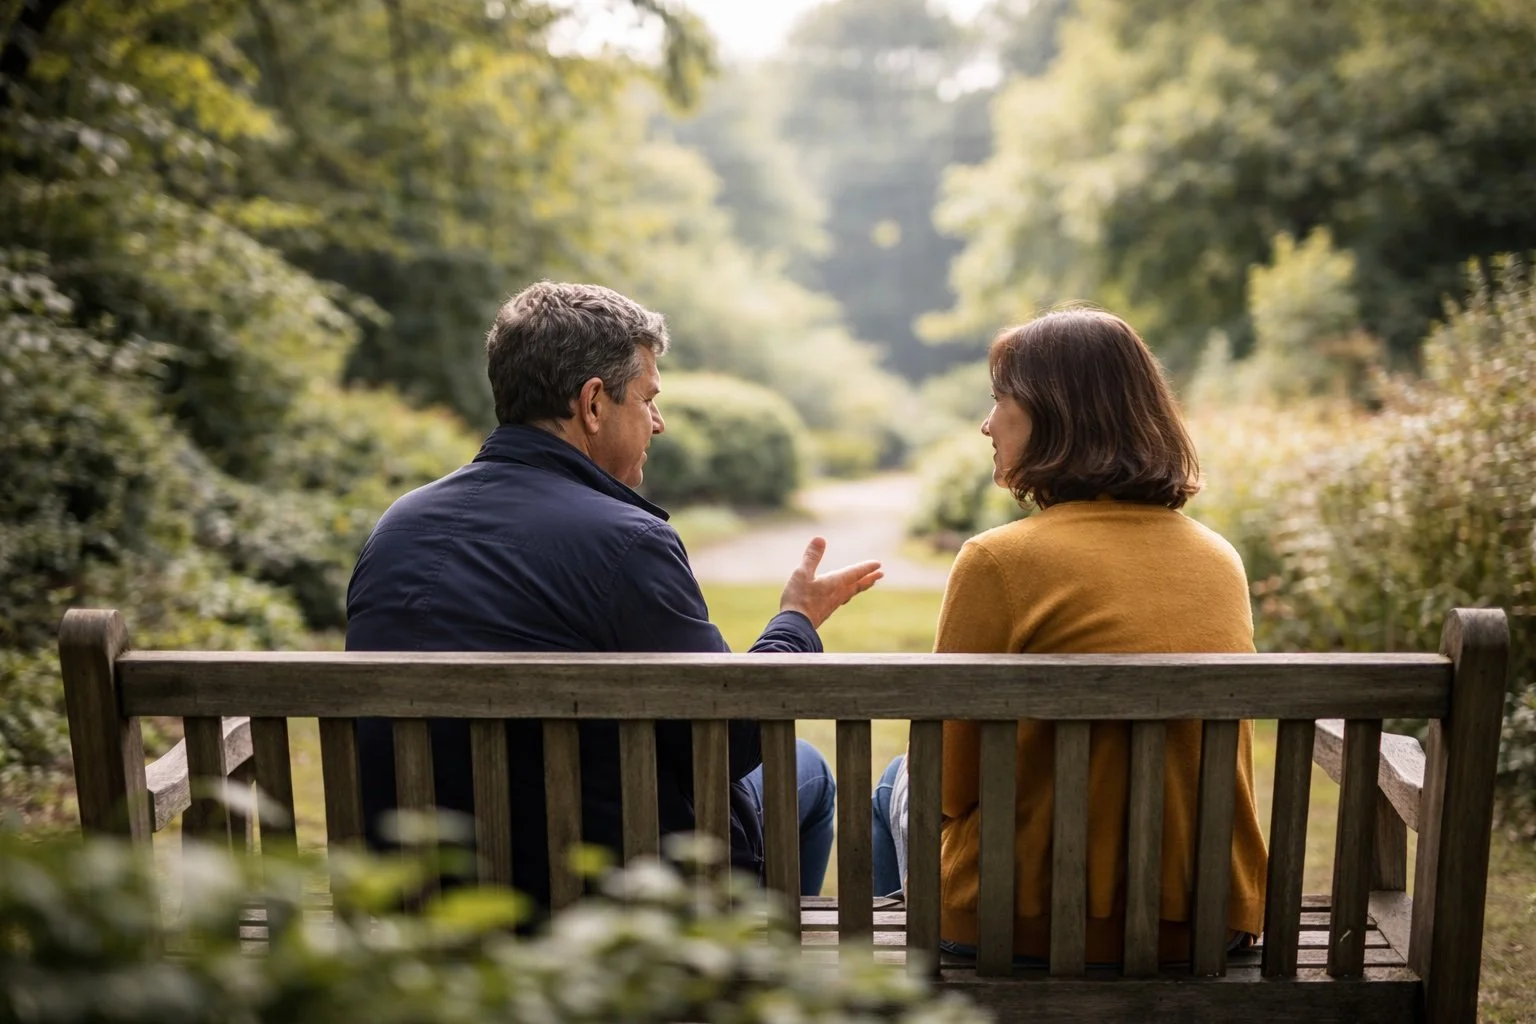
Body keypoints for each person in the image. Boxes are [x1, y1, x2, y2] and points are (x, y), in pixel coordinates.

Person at [346, 281, 883, 908]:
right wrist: (797, 622)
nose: (659, 421)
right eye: (649, 399)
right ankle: (750, 970)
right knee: (807, 767)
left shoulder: (397, 526)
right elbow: (730, 742)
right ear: (593, 404)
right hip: (599, 902)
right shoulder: (626, 541)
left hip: (420, 894)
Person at [872, 307, 1267, 964]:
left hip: (1020, 918)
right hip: (1201, 921)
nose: (987, 423)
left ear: (1057, 413)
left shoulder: (996, 562)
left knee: (898, 780)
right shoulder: (1220, 560)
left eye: (1001, 400)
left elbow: (947, 782)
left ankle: (918, 994)